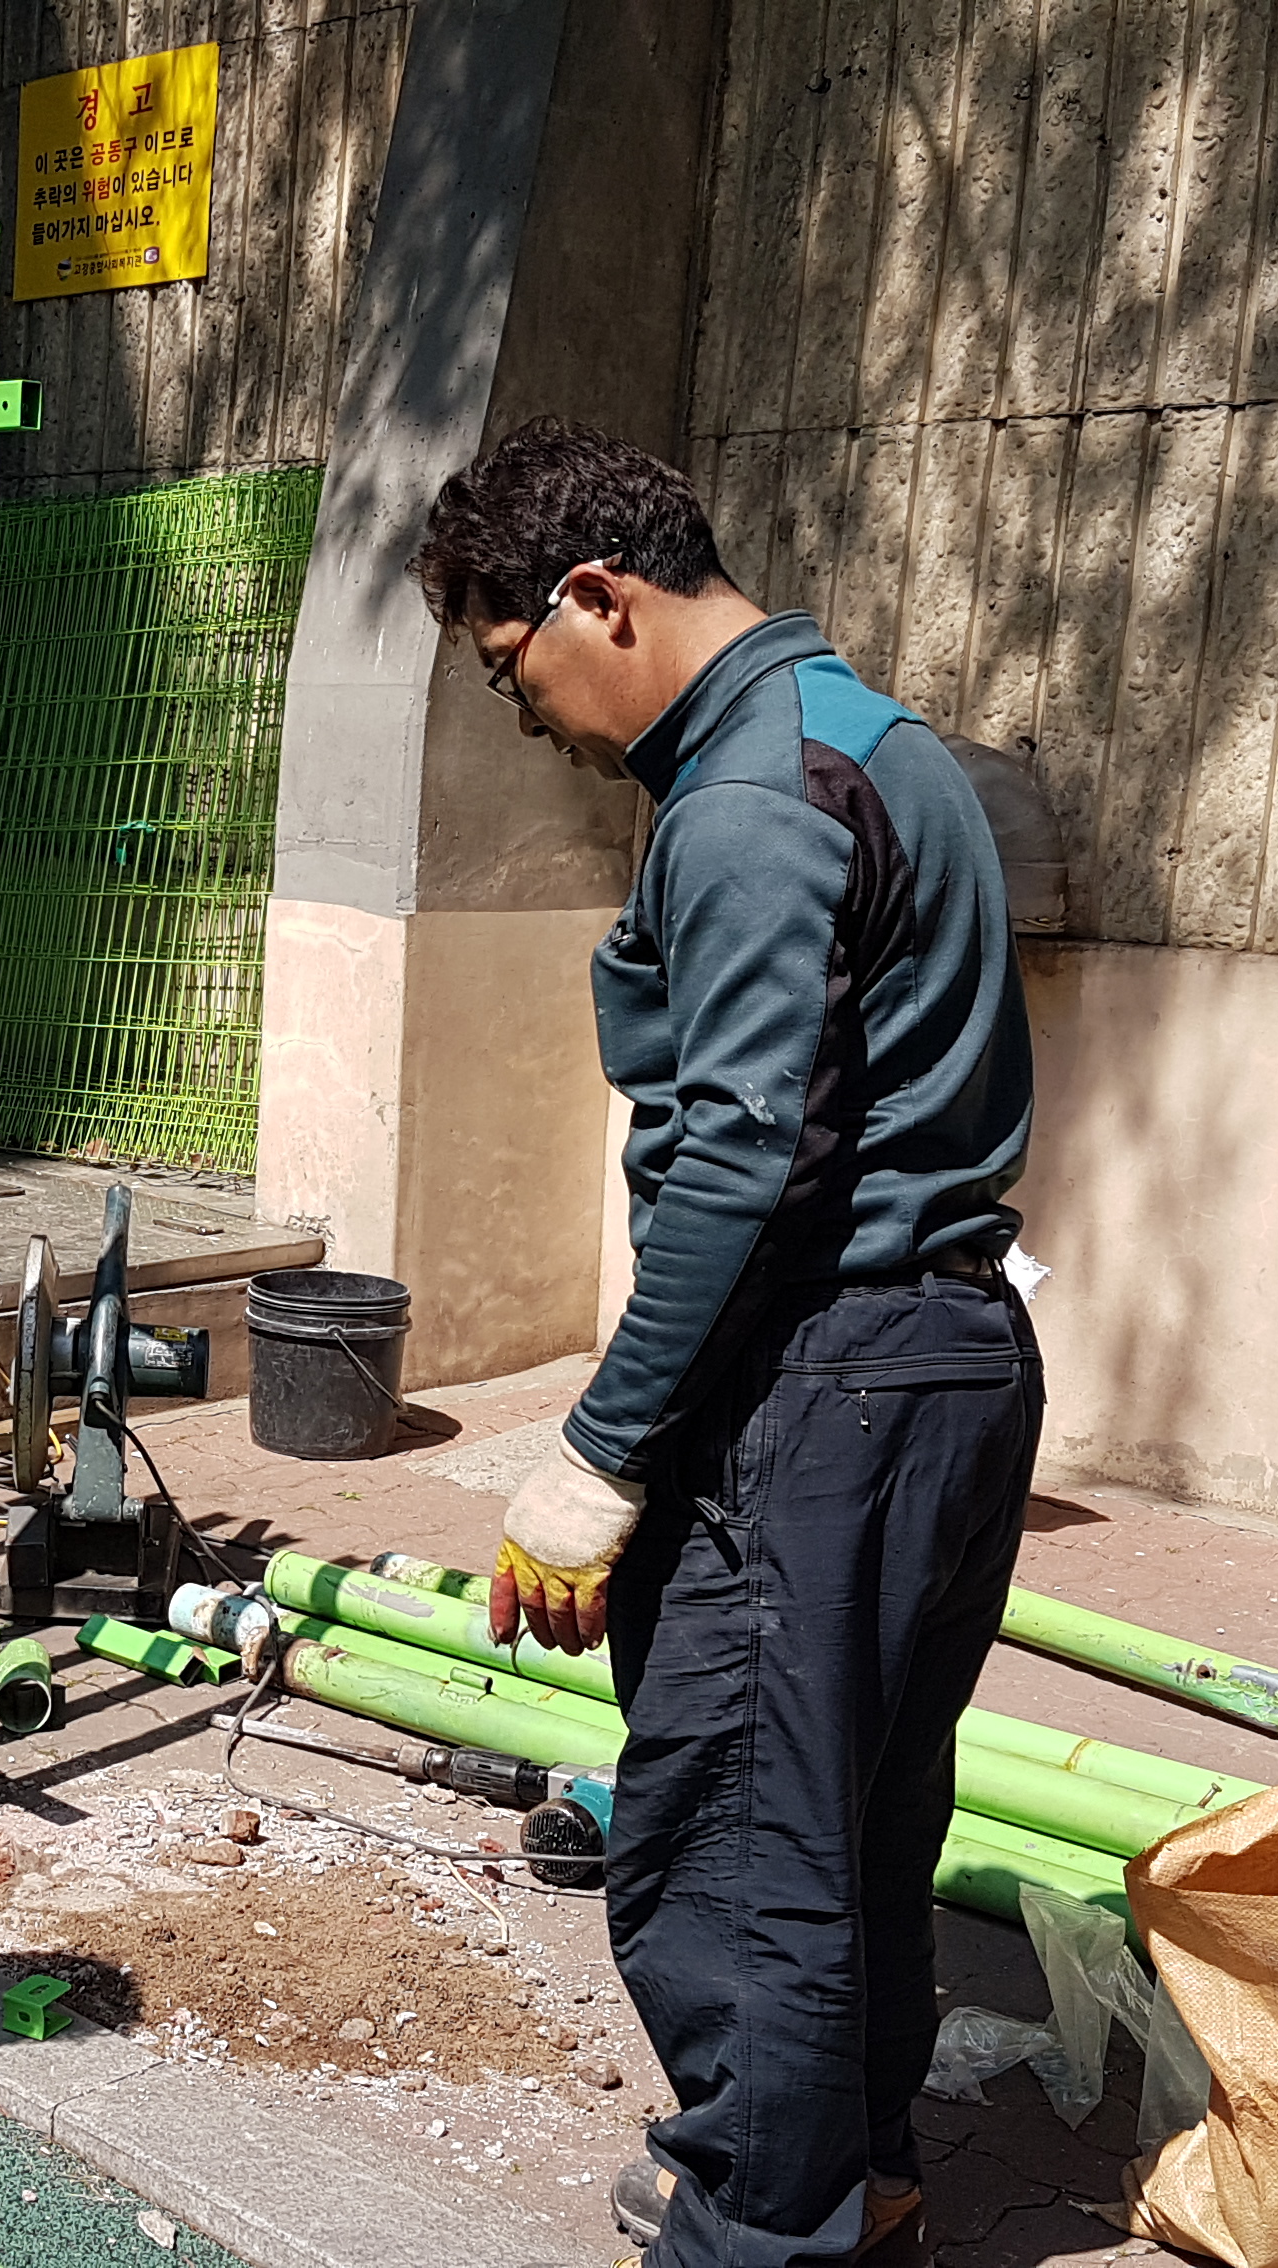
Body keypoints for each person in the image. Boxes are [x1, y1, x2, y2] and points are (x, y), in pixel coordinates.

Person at [411, 420, 1042, 2268]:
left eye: (513, 668)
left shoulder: (754, 796)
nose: (529, 715)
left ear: (595, 597)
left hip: (824, 1379)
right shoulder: (870, 737)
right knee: (853, 1818)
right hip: (944, 1362)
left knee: (733, 1845)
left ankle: (765, 2230)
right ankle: (853, 2178)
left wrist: (601, 1449)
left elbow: (746, 1157)